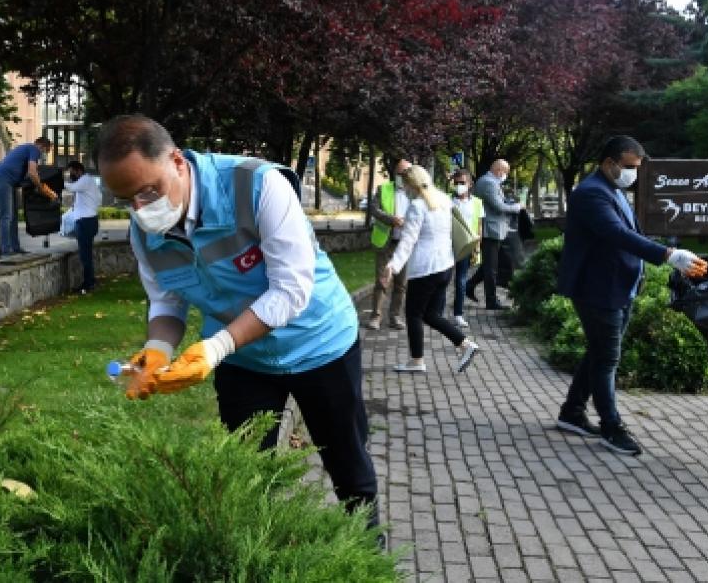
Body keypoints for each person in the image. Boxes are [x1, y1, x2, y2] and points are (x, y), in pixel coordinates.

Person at [96, 115, 381, 535]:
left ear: (177, 161)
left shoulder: (258, 186)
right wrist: (158, 348)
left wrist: (215, 348)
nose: (141, 209)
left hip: (320, 342)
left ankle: (371, 563)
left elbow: (290, 289)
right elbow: (166, 299)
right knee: (246, 479)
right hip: (245, 359)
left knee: (349, 469)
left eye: (148, 191)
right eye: (126, 201)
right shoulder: (143, 232)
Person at [553, 136, 704, 456]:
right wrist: (667, 254)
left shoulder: (613, 190)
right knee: (607, 358)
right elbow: (615, 234)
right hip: (597, 289)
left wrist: (666, 249)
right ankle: (611, 427)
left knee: (598, 352)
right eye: (630, 167)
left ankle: (572, 412)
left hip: (619, 286)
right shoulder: (592, 193)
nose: (634, 173)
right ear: (609, 163)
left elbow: (632, 233)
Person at [380, 165, 481, 373]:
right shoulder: (444, 199)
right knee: (432, 315)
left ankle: (417, 361)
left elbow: (408, 241)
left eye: (405, 184)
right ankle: (465, 344)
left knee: (414, 314)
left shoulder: (418, 205)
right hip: (445, 266)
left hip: (426, 269)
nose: (404, 188)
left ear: (411, 184)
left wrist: (391, 267)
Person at [467, 159, 522, 310]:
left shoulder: (489, 181)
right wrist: (516, 207)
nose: (505, 176)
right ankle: (491, 301)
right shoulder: (489, 183)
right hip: (490, 230)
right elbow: (498, 206)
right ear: (499, 170)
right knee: (491, 268)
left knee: (489, 264)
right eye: (505, 172)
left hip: (494, 229)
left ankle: (469, 286)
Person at [0, 137, 55, 255]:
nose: (43, 155)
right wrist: (41, 189)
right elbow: (32, 172)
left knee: (13, 217)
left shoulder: (26, 148)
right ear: (41, 146)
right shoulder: (34, 149)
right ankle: (5, 250)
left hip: (9, 183)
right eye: (45, 151)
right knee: (6, 216)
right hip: (2, 180)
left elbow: (27, 175)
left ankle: (15, 248)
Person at [367, 159, 411, 330]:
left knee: (401, 284)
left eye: (406, 173)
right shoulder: (383, 188)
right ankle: (375, 317)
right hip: (386, 242)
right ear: (395, 174)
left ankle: (395, 317)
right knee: (382, 280)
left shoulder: (415, 193)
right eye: (400, 173)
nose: (402, 176)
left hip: (405, 244)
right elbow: (374, 209)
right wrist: (391, 219)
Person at [449, 168, 484, 330]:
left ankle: (458, 314)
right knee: (442, 279)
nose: (459, 186)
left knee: (461, 280)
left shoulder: (477, 202)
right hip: (447, 245)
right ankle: (435, 312)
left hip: (466, 246)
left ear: (470, 184)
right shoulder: (447, 201)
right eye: (456, 183)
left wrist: (477, 247)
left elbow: (478, 226)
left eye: (462, 183)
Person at [65, 161, 101, 294]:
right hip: (90, 220)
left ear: (78, 170)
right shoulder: (90, 182)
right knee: (87, 253)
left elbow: (71, 188)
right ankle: (90, 280)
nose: (71, 175)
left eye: (72, 172)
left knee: (85, 255)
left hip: (85, 222)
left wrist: (57, 182)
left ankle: (88, 284)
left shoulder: (85, 180)